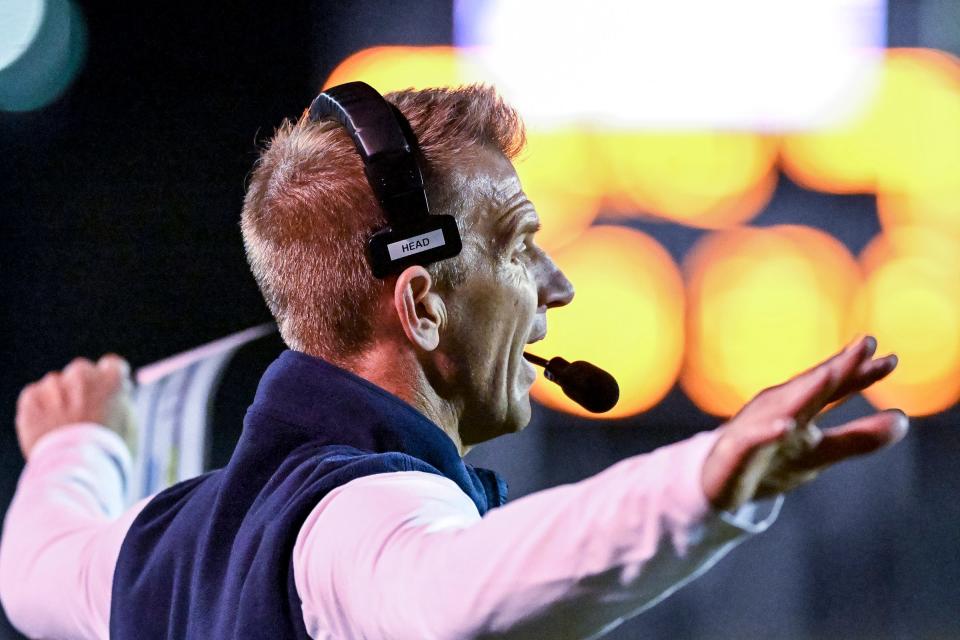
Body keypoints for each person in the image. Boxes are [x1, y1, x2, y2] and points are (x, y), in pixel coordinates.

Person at [0, 85, 908, 640]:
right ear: (423, 307)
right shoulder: (354, 516)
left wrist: (75, 446)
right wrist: (705, 484)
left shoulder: (164, 539)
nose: (557, 287)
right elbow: (455, 593)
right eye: (517, 247)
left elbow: (36, 568)